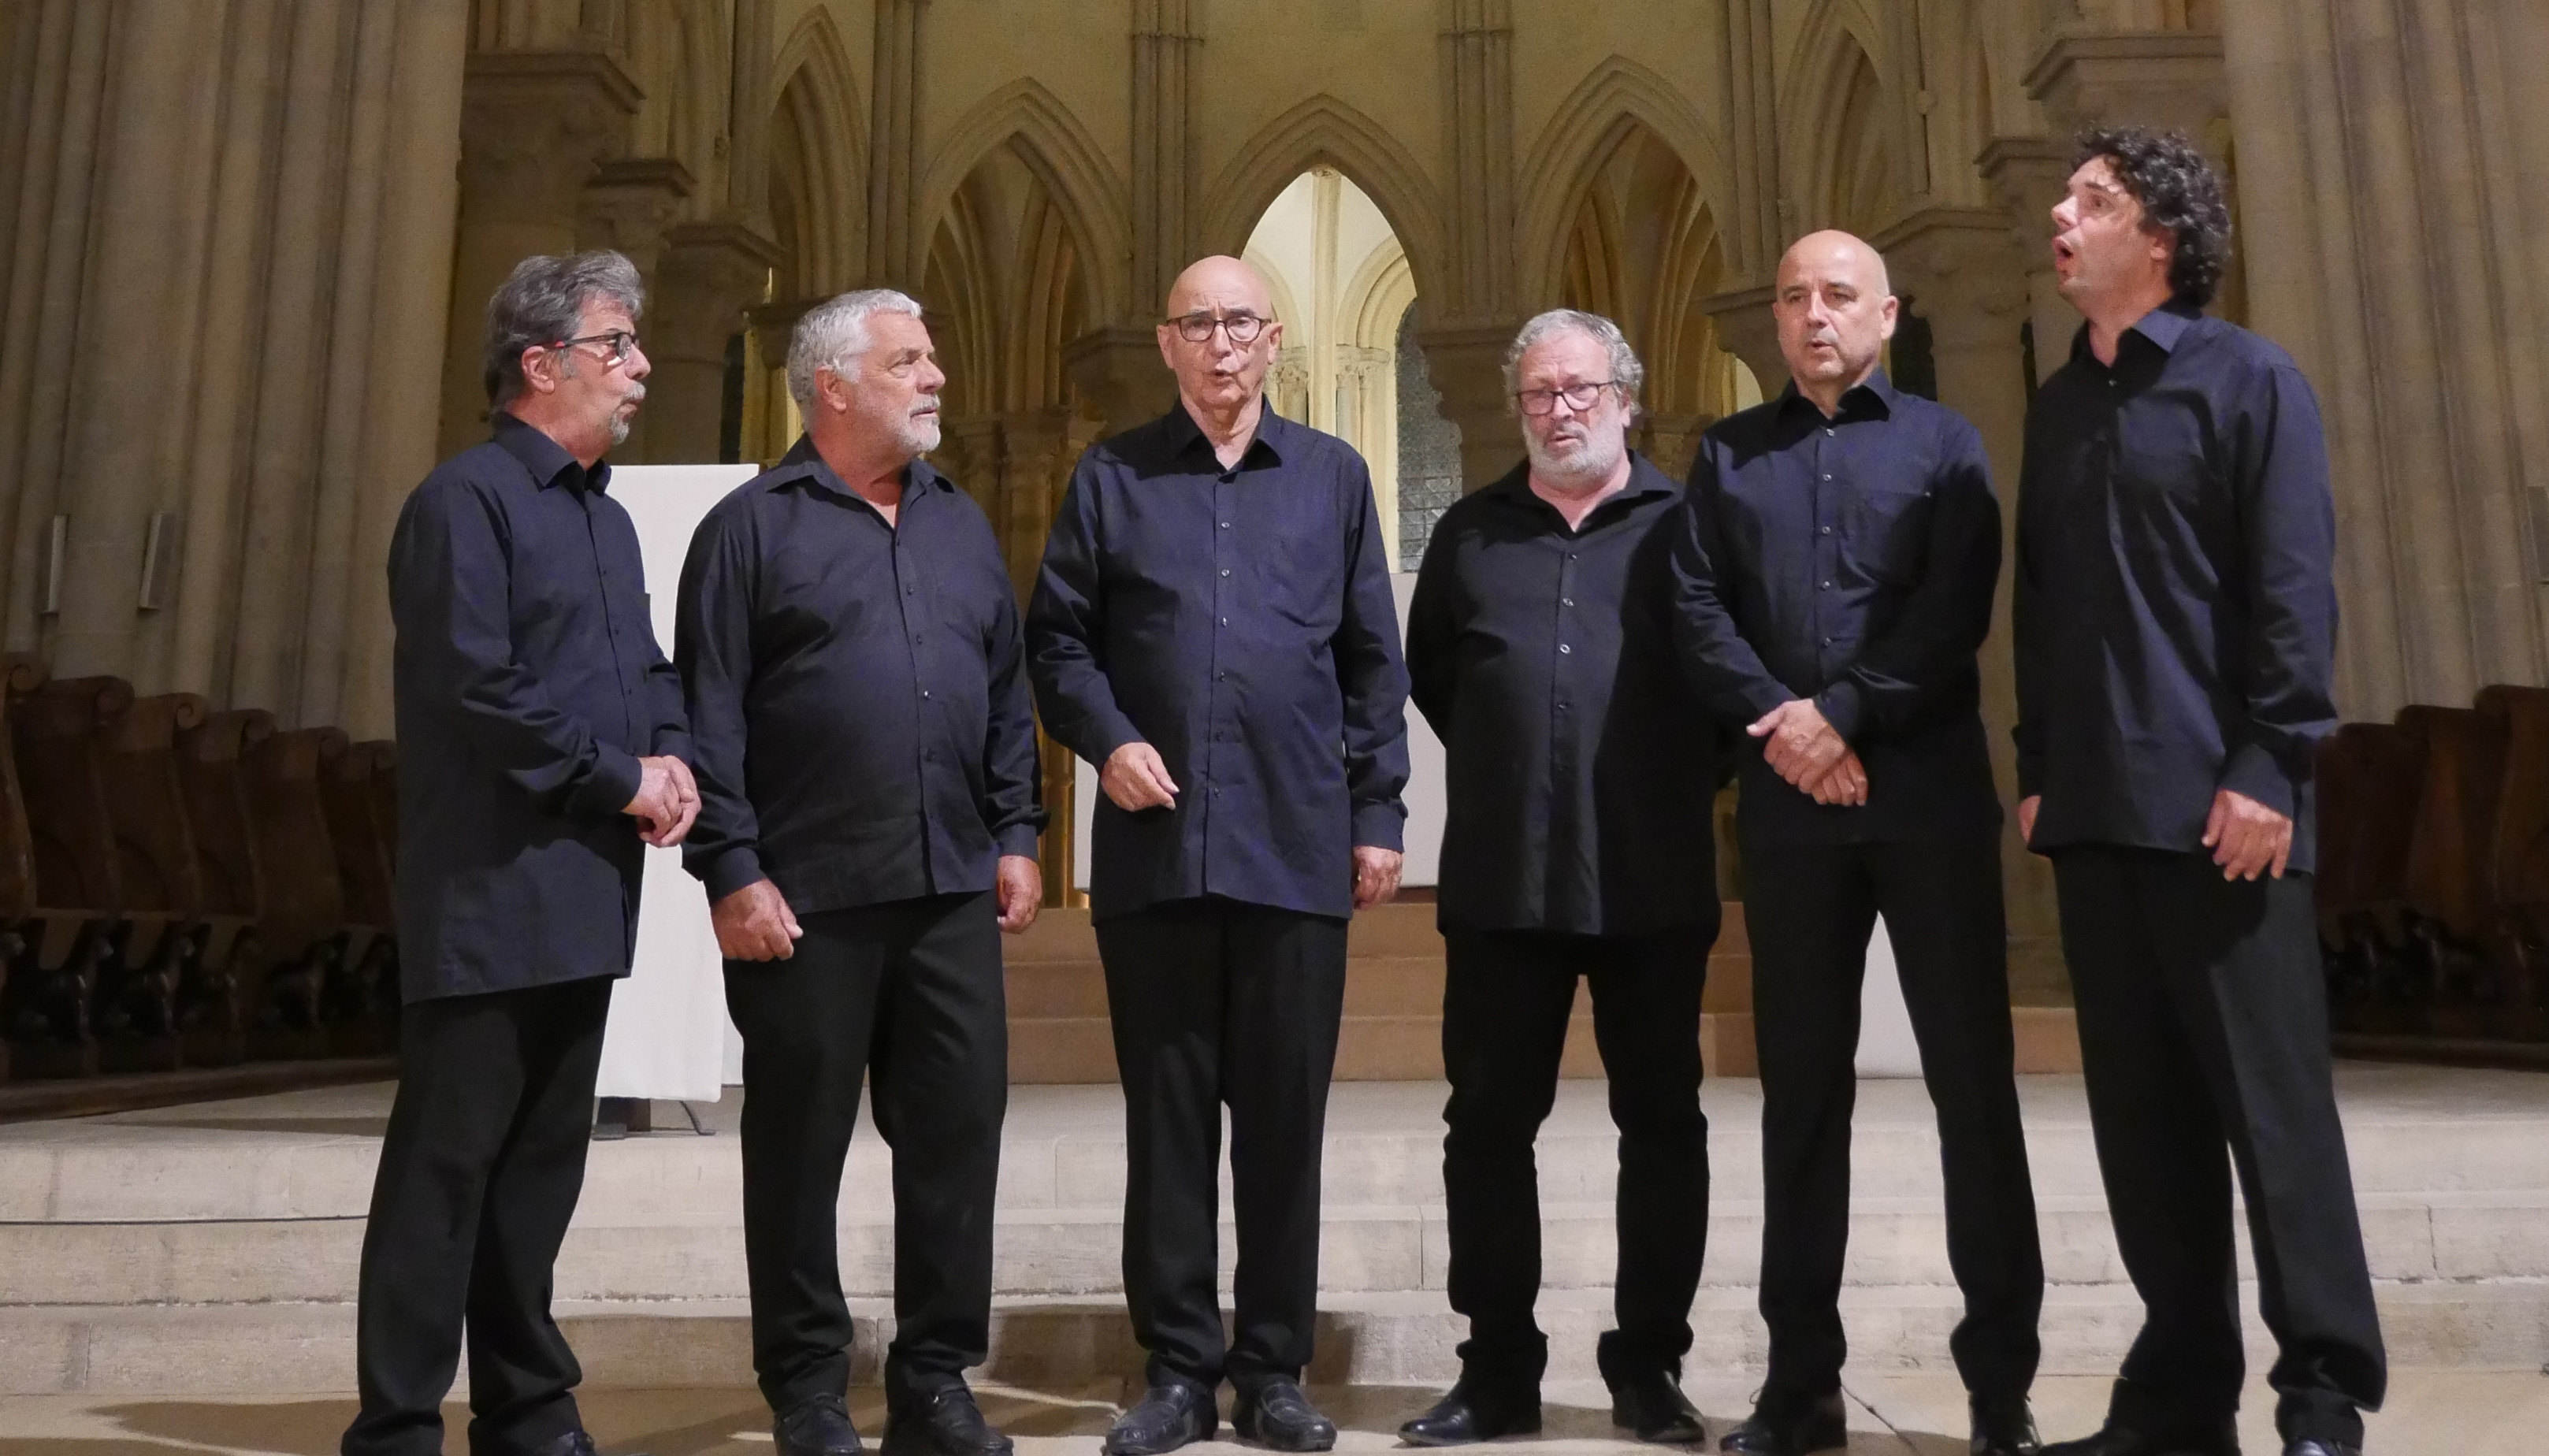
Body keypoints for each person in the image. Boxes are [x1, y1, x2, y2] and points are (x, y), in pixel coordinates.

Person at [2017, 128, 2384, 1456]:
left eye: (2092, 200)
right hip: (2102, 817)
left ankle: (2326, 1393)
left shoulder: (2251, 383)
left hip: (2230, 817)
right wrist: (2039, 768)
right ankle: (2179, 1398)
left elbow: (2293, 593)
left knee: (2272, 1119)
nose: (2062, 213)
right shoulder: (2060, 403)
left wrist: (2266, 766)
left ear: (2158, 240)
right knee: (2145, 1129)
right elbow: (2044, 604)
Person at [1027, 254, 1411, 1456]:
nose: (1222, 344)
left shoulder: (1334, 478)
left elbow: (1371, 663)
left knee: (1285, 1128)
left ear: (1275, 337)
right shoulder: (1113, 475)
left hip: (1296, 849)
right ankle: (1179, 1373)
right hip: (1158, 857)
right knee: (1172, 1125)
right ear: (1167, 341)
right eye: (1199, 323)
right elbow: (1058, 644)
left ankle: (1277, 1373)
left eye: (1241, 321)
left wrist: (1379, 815)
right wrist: (1110, 740)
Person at [1671, 231, 2044, 1456]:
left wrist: (1845, 713)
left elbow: (1956, 603)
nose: (1813, 315)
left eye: (1837, 295)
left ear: (1886, 312)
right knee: (1801, 1099)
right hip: (1789, 811)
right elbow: (1695, 605)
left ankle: (2001, 1390)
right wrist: (1785, 725)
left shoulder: (1945, 444)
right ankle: (1800, 1387)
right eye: (1792, 298)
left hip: (1925, 794)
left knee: (1972, 1092)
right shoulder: (1728, 455)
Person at [676, 289, 1045, 1456]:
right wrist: (731, 867)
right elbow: (708, 712)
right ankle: (808, 1392)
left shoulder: (960, 520)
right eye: (909, 360)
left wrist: (1019, 832)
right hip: (807, 901)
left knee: (954, 1143)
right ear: (833, 385)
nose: (937, 376)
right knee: (797, 1153)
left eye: (932, 356)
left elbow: (1005, 691)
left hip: (947, 893)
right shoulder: (749, 528)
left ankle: (935, 1380)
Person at [345, 250, 698, 1456]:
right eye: (618, 346)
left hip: (585, 889)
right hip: (489, 889)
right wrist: (620, 778)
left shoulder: (605, 520)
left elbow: (644, 669)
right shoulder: (466, 502)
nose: (641, 366)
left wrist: (674, 757)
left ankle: (524, 1405)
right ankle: (395, 1422)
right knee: (445, 1172)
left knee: (542, 1170)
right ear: (539, 364)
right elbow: (476, 690)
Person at [1396, 310, 1719, 1448]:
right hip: (1503, 881)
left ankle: (1649, 1368)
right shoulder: (1472, 534)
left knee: (1664, 1124)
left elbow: (1727, 683)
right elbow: (1438, 675)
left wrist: (1662, 776)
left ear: (1627, 399)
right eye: (1539, 393)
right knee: (1487, 1125)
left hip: (1653, 873)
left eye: (1581, 390)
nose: (1560, 410)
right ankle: (1497, 1372)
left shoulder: (1689, 524)